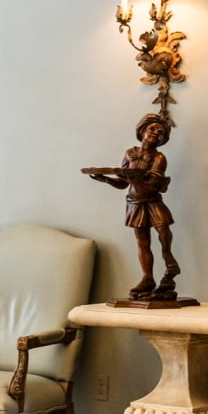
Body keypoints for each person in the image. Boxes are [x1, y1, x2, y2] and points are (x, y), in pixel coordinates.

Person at [83, 113, 180, 299]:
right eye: (152, 129)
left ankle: (169, 261)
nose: (155, 133)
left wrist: (138, 177)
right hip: (134, 203)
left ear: (163, 139)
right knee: (143, 242)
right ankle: (148, 278)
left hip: (152, 201)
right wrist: (105, 179)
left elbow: (153, 184)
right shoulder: (130, 153)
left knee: (163, 231)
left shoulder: (159, 158)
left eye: (160, 133)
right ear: (142, 129)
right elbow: (123, 183)